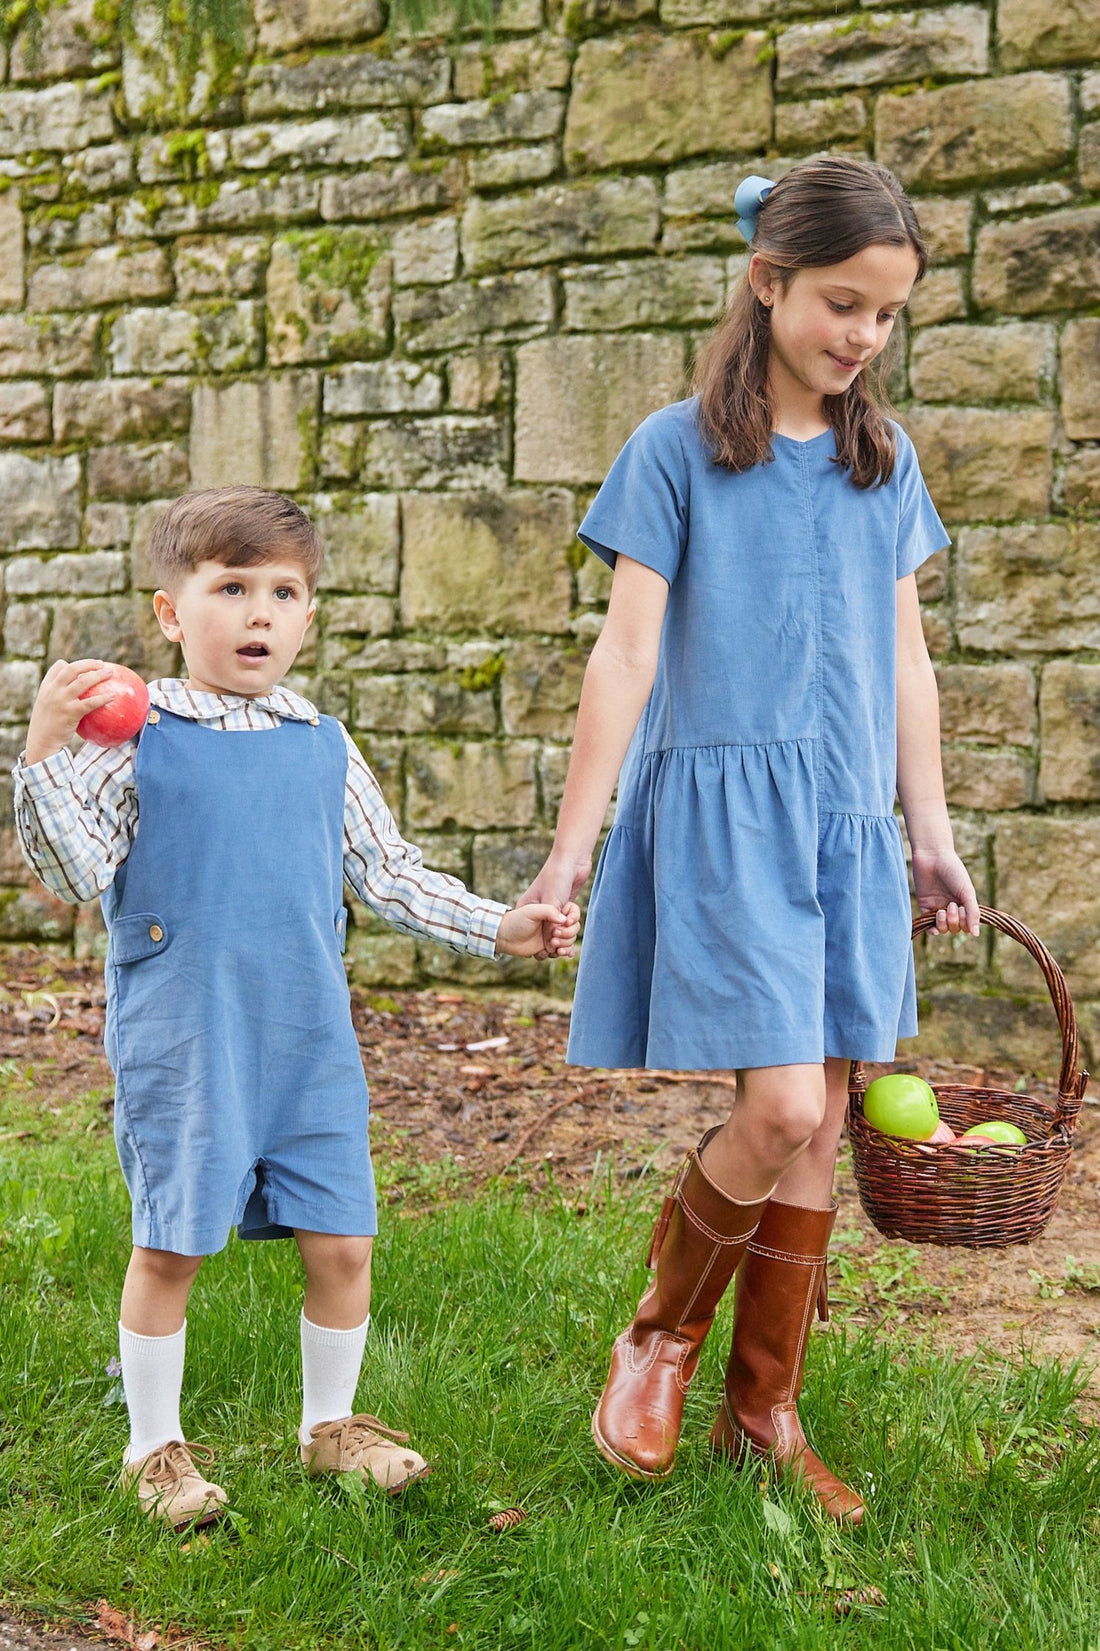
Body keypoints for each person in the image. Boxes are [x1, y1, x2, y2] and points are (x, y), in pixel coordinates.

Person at [519, 156, 980, 1525]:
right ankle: (658, 1334)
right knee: (777, 1105)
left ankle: (764, 1407)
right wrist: (571, 847)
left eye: (888, 316)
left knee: (824, 1119)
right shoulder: (677, 447)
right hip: (724, 810)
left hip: (843, 822)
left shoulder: (878, 458)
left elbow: (906, 659)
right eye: (845, 303)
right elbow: (627, 649)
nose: (863, 338)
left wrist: (930, 832)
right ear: (769, 281)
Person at [13, 486, 579, 1532]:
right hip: (188, 1031)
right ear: (172, 613)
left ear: (309, 616)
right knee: (173, 1241)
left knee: (341, 1239)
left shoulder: (323, 741)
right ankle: (152, 1446)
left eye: (283, 591)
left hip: (309, 1037)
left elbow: (389, 871)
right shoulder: (135, 736)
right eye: (230, 588)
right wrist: (47, 749)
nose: (259, 612)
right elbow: (73, 868)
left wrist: (500, 927)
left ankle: (329, 1426)